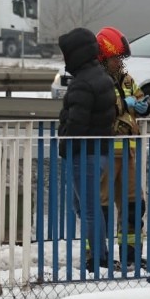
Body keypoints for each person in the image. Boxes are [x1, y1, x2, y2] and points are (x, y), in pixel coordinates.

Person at [57, 27, 117, 273]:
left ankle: (98, 258)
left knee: (89, 209)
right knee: (85, 207)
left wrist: (63, 143)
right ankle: (98, 254)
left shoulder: (82, 83)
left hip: (83, 154)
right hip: (101, 151)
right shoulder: (102, 77)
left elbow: (76, 124)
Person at [95, 26, 150, 272]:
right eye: (115, 58)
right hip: (106, 152)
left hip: (127, 152)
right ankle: (97, 257)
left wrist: (143, 106)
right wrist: (123, 104)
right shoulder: (97, 81)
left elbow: (140, 98)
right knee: (101, 207)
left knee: (134, 205)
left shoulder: (126, 79)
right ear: (103, 58)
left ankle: (131, 255)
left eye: (120, 58)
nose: (119, 62)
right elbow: (101, 107)